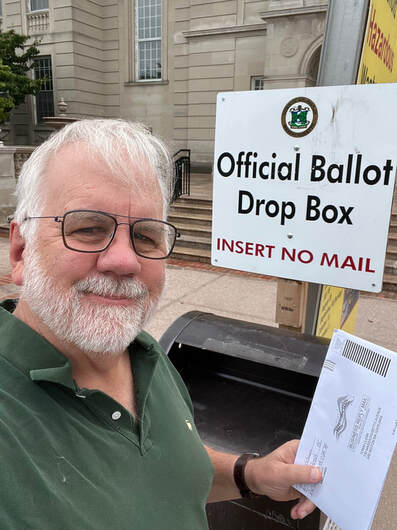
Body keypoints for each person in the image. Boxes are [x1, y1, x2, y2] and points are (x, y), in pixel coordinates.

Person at [1, 119, 321, 529]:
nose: (125, 261)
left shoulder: (144, 353)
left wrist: (254, 475)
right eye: (88, 228)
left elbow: (165, 468)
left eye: (146, 237)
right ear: (21, 251)